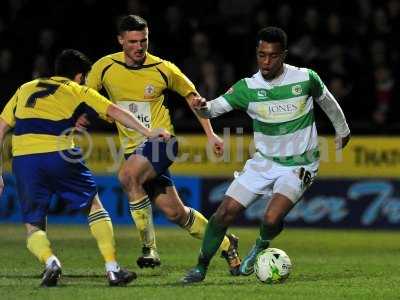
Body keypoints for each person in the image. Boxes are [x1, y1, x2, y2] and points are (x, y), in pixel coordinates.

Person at [182, 26, 351, 283]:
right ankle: (200, 267)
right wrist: (202, 107)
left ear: (283, 55)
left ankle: (261, 244)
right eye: (261, 55)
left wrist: (343, 130)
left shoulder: (305, 78)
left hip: (300, 164)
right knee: (223, 213)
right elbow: (212, 110)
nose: (266, 62)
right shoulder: (247, 88)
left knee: (271, 218)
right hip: (263, 162)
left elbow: (328, 102)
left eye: (272, 56)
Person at [83, 14, 241, 274]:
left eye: (143, 40)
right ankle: (226, 244)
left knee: (127, 176)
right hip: (135, 150)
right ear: (120, 40)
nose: (139, 47)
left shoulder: (162, 68)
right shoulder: (104, 67)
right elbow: (85, 95)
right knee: (176, 214)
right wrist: (86, 116)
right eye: (133, 41)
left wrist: (211, 134)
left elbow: (194, 99)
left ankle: (149, 248)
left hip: (162, 142)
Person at [0, 49, 170, 287]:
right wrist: (148, 132)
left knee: (32, 223)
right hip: (59, 152)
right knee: (93, 205)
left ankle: (50, 262)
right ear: (79, 75)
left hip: (24, 159)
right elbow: (115, 111)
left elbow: (1, 128)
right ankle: (112, 269)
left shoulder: (25, 88)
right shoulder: (77, 90)